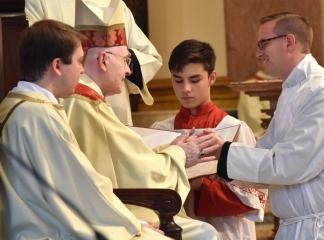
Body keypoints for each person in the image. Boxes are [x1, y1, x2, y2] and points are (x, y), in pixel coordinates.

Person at [0, 19, 172, 239]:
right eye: (80, 61)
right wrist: (132, 224)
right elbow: (82, 188)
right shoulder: (39, 116)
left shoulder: (15, 104)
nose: (83, 70)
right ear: (57, 66)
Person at [62, 3, 220, 240]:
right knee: (204, 233)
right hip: (110, 212)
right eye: (125, 60)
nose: (128, 71)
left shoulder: (77, 99)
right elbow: (134, 168)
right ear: (103, 60)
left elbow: (123, 159)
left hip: (102, 207)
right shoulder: (86, 103)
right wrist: (180, 154)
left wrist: (169, 151)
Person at [210, 12, 324, 239]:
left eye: (263, 44)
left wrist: (225, 155)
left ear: (289, 42)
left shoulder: (322, 90)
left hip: (319, 229)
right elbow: (266, 149)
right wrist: (218, 163)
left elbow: (293, 163)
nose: (258, 53)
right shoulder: (293, 89)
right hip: (297, 225)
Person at [151, 39, 268, 240]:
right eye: (178, 80)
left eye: (195, 80)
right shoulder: (161, 131)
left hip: (227, 230)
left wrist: (200, 185)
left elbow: (254, 197)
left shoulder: (235, 129)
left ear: (212, 77)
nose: (186, 89)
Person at [25, 0, 162, 125]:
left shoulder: (114, 4)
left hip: (113, 103)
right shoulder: (42, 2)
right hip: (66, 103)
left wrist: (119, 60)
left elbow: (151, 57)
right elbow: (34, 51)